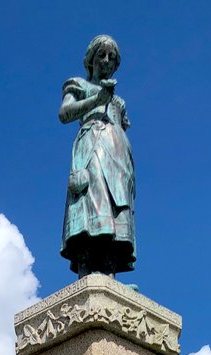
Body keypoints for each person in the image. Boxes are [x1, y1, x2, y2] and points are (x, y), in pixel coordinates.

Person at [59, 35, 136, 277]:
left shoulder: (119, 102)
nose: (106, 61)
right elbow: (64, 114)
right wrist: (96, 100)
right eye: (101, 55)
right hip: (91, 147)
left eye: (112, 58)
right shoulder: (78, 85)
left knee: (116, 210)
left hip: (118, 154)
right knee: (90, 205)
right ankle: (86, 269)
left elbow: (122, 126)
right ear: (91, 59)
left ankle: (110, 273)